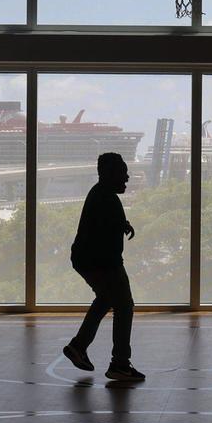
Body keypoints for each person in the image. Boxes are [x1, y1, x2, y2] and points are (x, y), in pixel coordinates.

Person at [62, 152, 145, 382]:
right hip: (102, 263)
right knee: (125, 306)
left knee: (106, 299)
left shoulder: (100, 194)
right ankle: (119, 363)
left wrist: (122, 224)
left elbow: (102, 225)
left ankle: (79, 346)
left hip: (87, 261)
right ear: (109, 174)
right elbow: (104, 232)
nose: (127, 177)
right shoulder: (106, 198)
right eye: (123, 172)